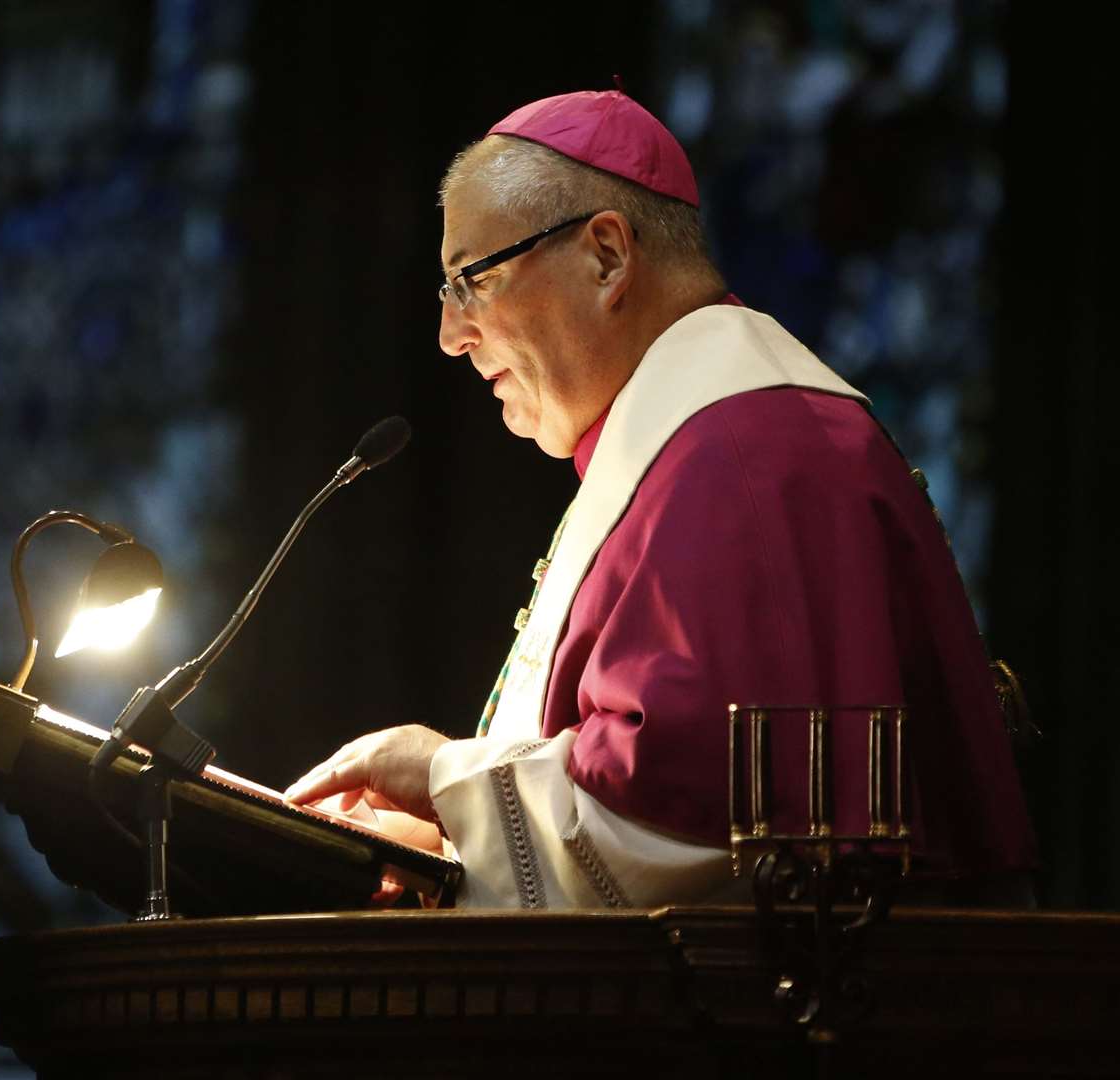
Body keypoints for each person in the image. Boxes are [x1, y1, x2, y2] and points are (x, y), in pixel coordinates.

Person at [285, 89, 1037, 908]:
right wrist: (449, 846)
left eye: (472, 280)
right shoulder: (689, 446)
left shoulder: (747, 461)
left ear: (606, 256)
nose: (450, 335)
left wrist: (445, 781)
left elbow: (698, 820)